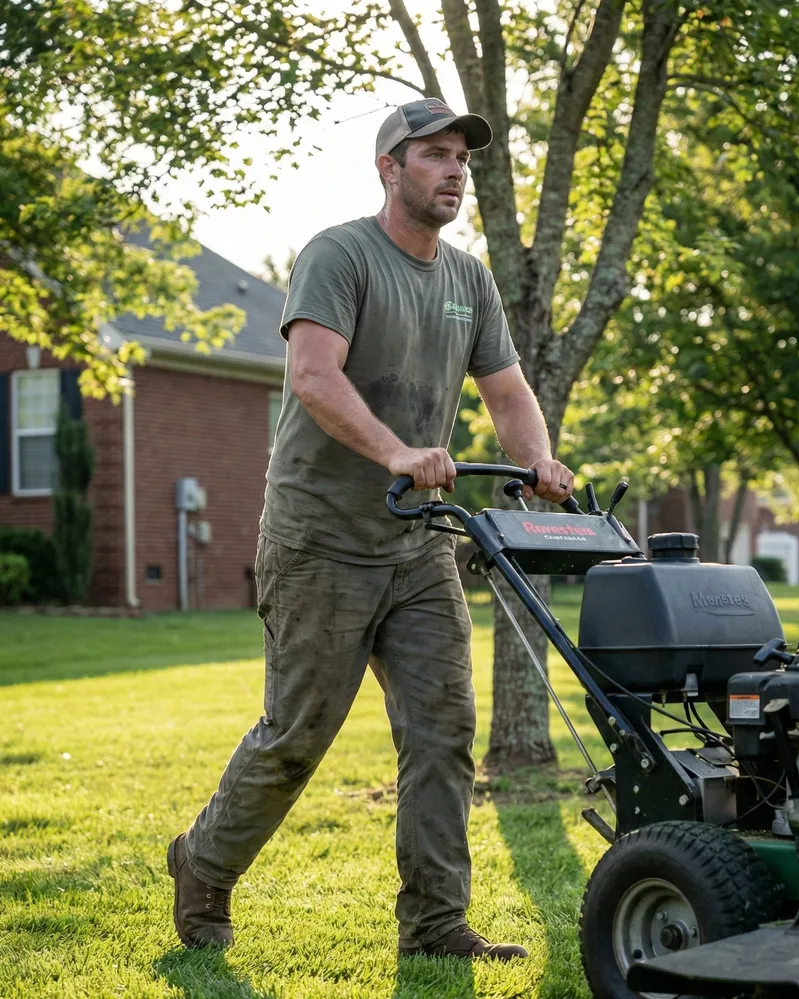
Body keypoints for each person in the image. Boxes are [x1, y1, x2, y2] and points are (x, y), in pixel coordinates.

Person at [167, 97, 575, 961]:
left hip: (419, 544)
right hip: (320, 539)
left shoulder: (469, 280)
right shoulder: (340, 255)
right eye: (434, 155)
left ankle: (434, 924)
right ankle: (202, 861)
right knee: (297, 735)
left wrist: (539, 459)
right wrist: (396, 451)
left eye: (462, 157)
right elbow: (314, 375)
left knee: (442, 731)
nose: (454, 170)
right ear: (389, 169)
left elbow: (506, 391)